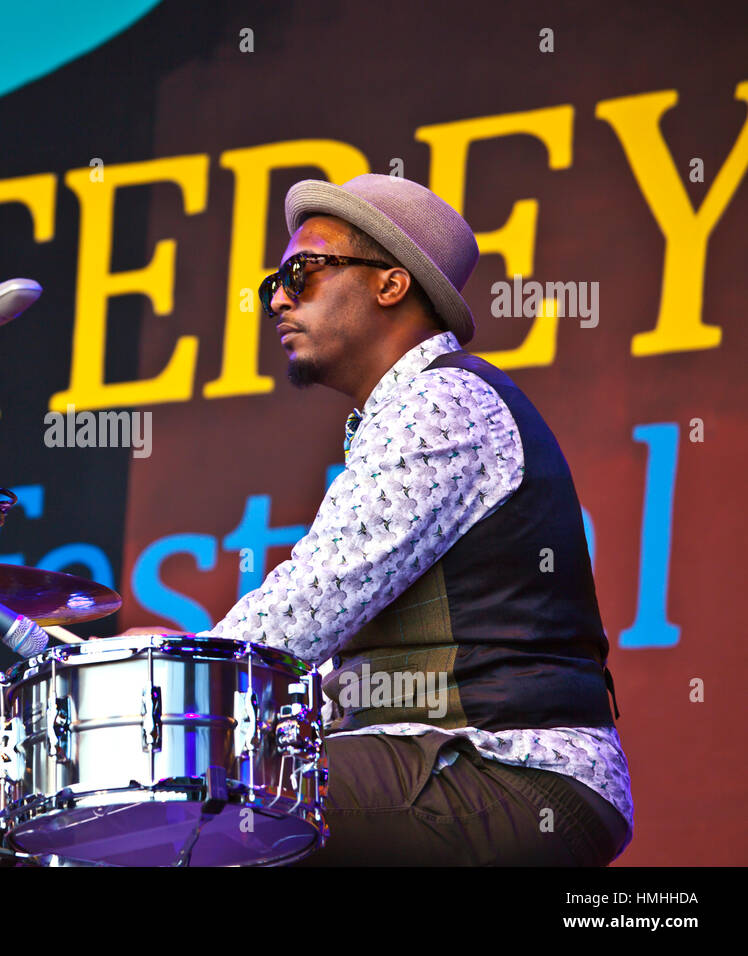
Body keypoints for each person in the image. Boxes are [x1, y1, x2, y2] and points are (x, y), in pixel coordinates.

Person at [201, 174, 632, 865]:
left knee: (208, 812)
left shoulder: (442, 405)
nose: (277, 298)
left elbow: (311, 603)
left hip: (514, 769)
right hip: (445, 764)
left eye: (302, 273)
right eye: (272, 283)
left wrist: (180, 676)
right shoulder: (402, 415)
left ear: (390, 285)